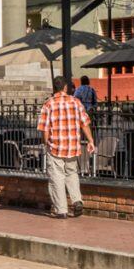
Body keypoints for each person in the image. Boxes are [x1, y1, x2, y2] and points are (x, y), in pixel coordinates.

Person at [37, 73, 91, 218]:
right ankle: (77, 200)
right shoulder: (76, 102)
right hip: (72, 146)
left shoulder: (48, 104)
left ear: (54, 88)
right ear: (66, 87)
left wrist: (46, 143)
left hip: (55, 146)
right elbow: (84, 123)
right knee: (72, 173)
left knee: (57, 177)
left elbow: (44, 128)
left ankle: (61, 210)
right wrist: (91, 140)